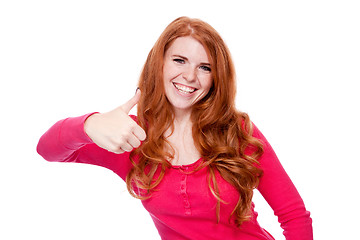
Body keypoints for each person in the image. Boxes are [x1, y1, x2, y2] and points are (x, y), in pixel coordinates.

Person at [37, 16, 313, 240]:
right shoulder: (130, 138)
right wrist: (89, 124)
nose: (190, 76)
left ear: (216, 79)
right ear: (159, 63)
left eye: (205, 67)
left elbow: (294, 216)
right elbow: (47, 149)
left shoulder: (236, 131)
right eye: (179, 60)